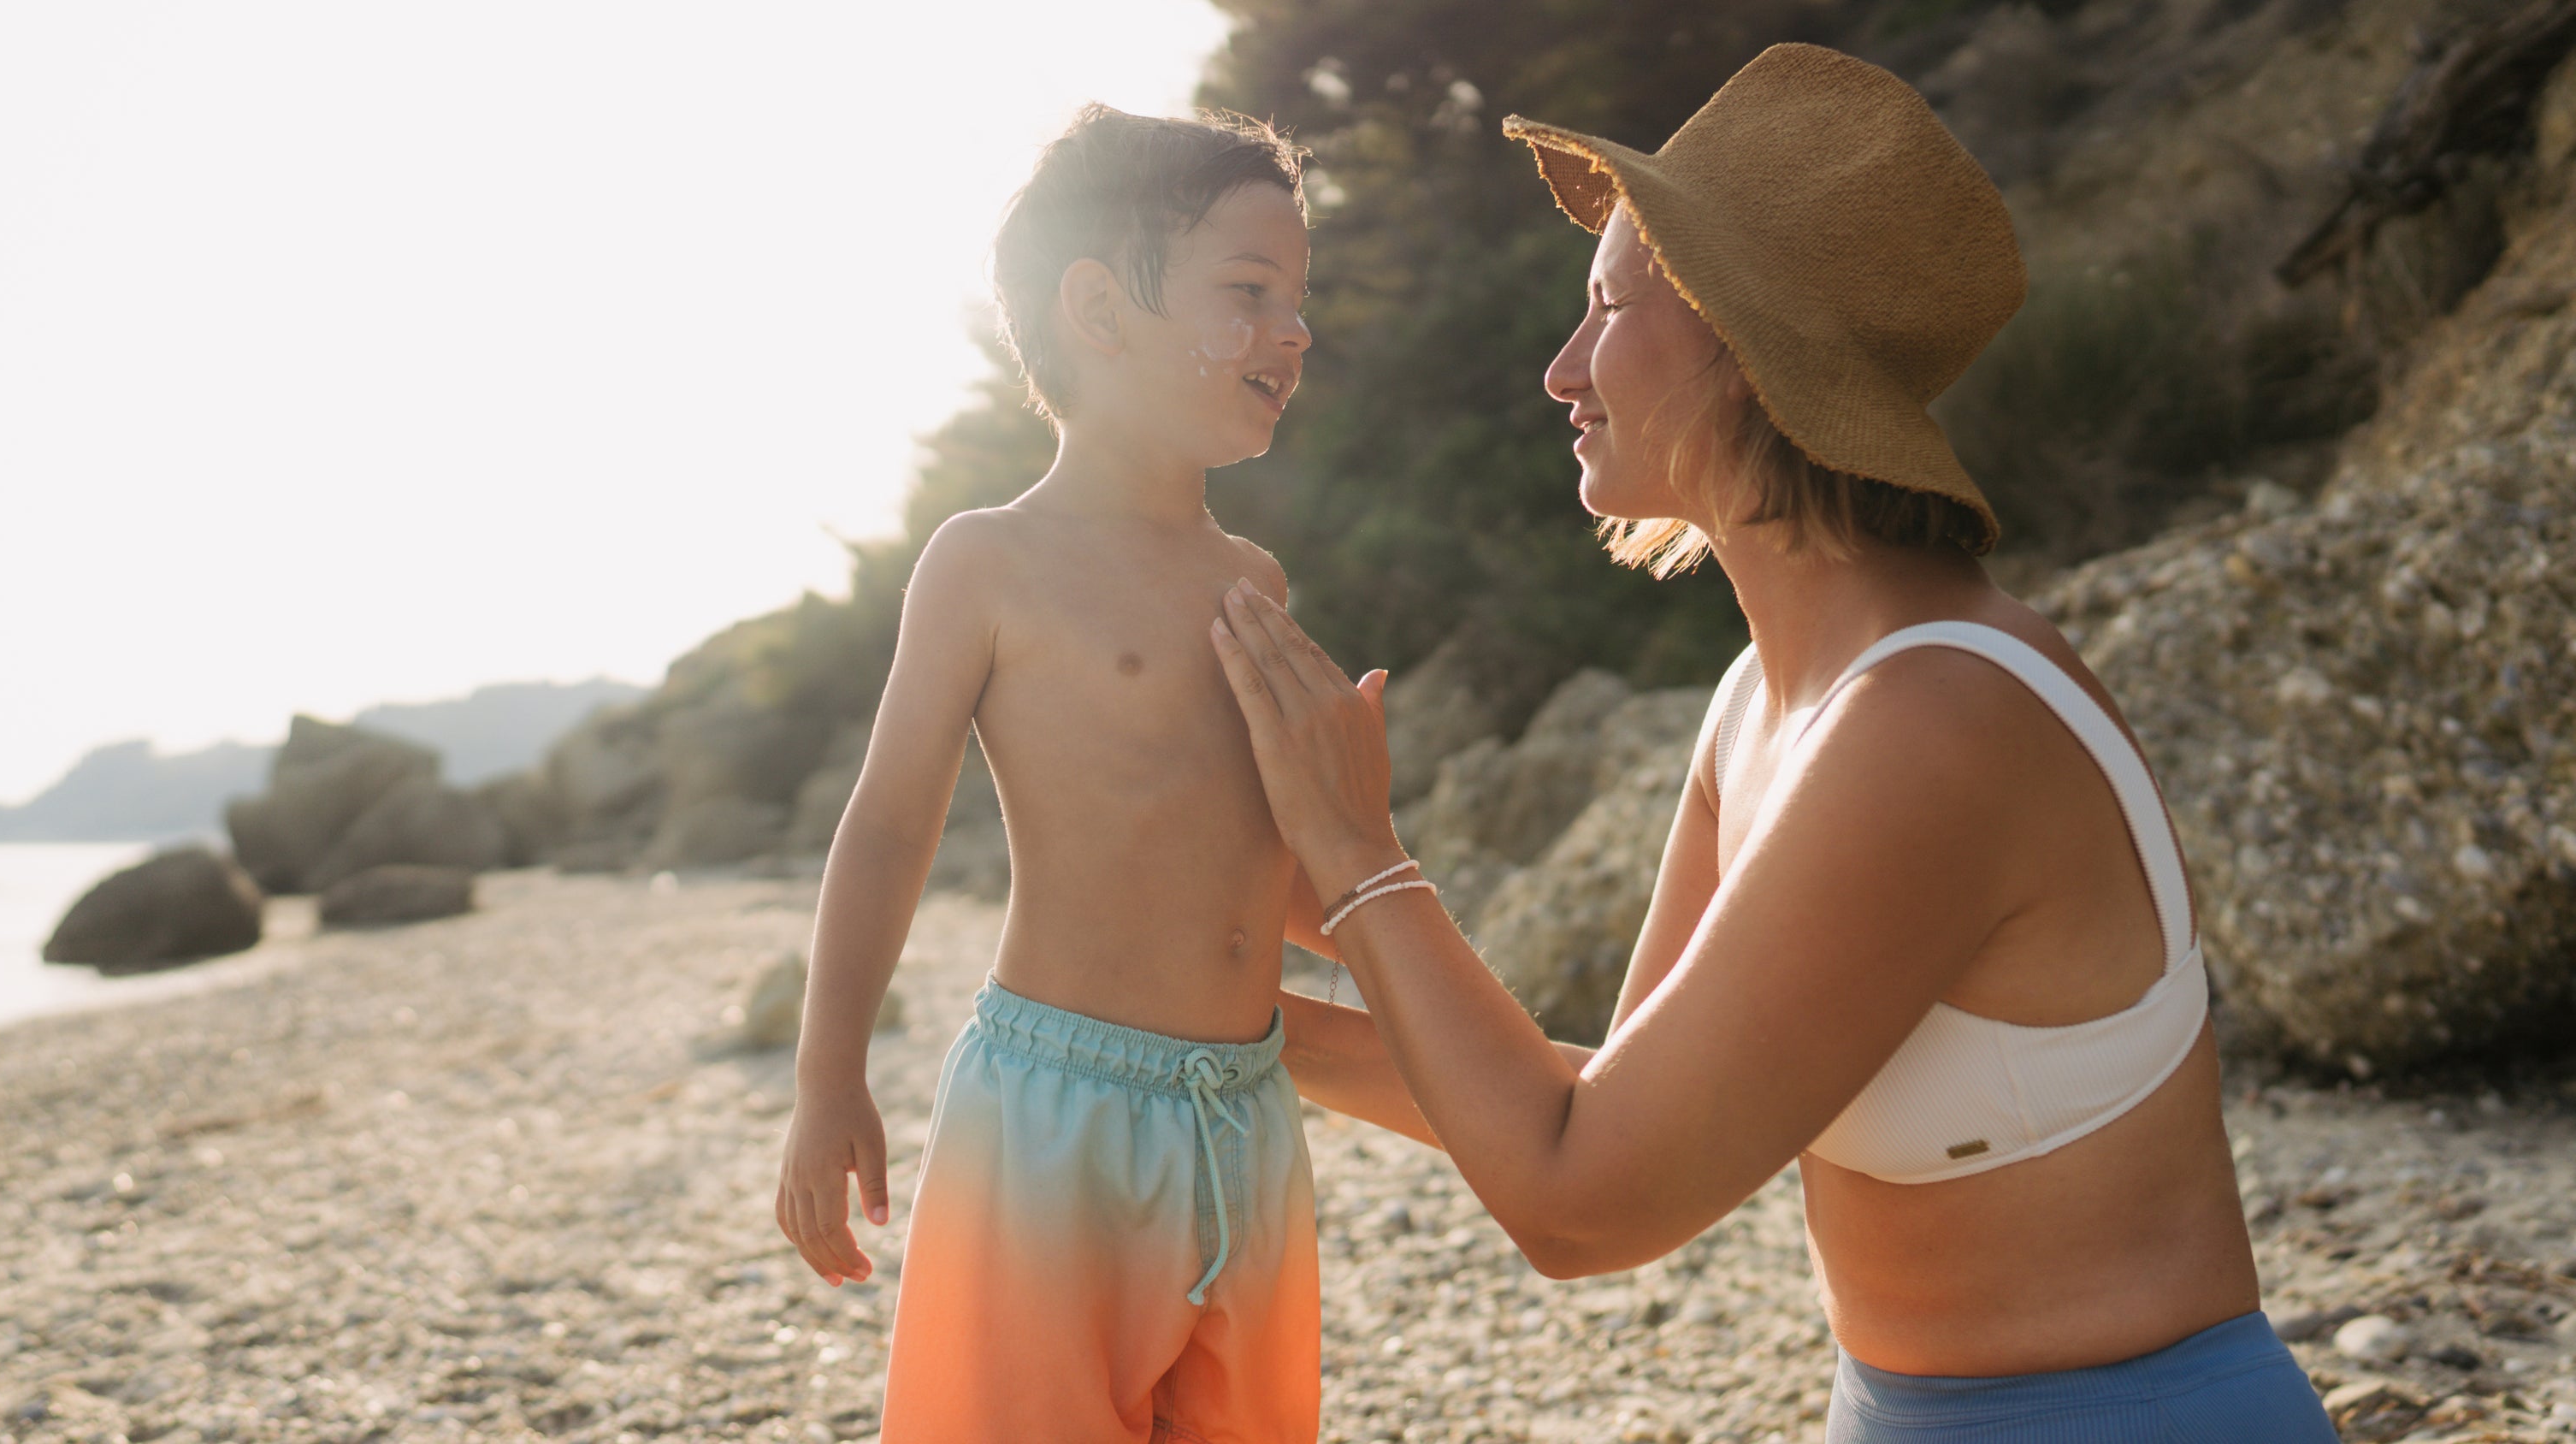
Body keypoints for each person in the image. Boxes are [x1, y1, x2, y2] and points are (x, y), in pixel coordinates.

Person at [1210, 44, 2338, 1442]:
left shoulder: (1934, 723)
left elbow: (1585, 1202)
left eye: (1608, 309)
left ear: (1749, 359)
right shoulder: (1766, 700)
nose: (1563, 369)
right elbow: (1590, 1100)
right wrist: (1233, 997)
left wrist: (1360, 856)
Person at [772, 105, 1326, 1442]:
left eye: (1300, 302)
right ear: (1097, 309)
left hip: (1243, 1118)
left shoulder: (1253, 581)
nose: (1293, 333)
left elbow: (1268, 852)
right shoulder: (989, 561)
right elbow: (891, 824)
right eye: (1248, 295)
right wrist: (827, 1074)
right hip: (1053, 1116)